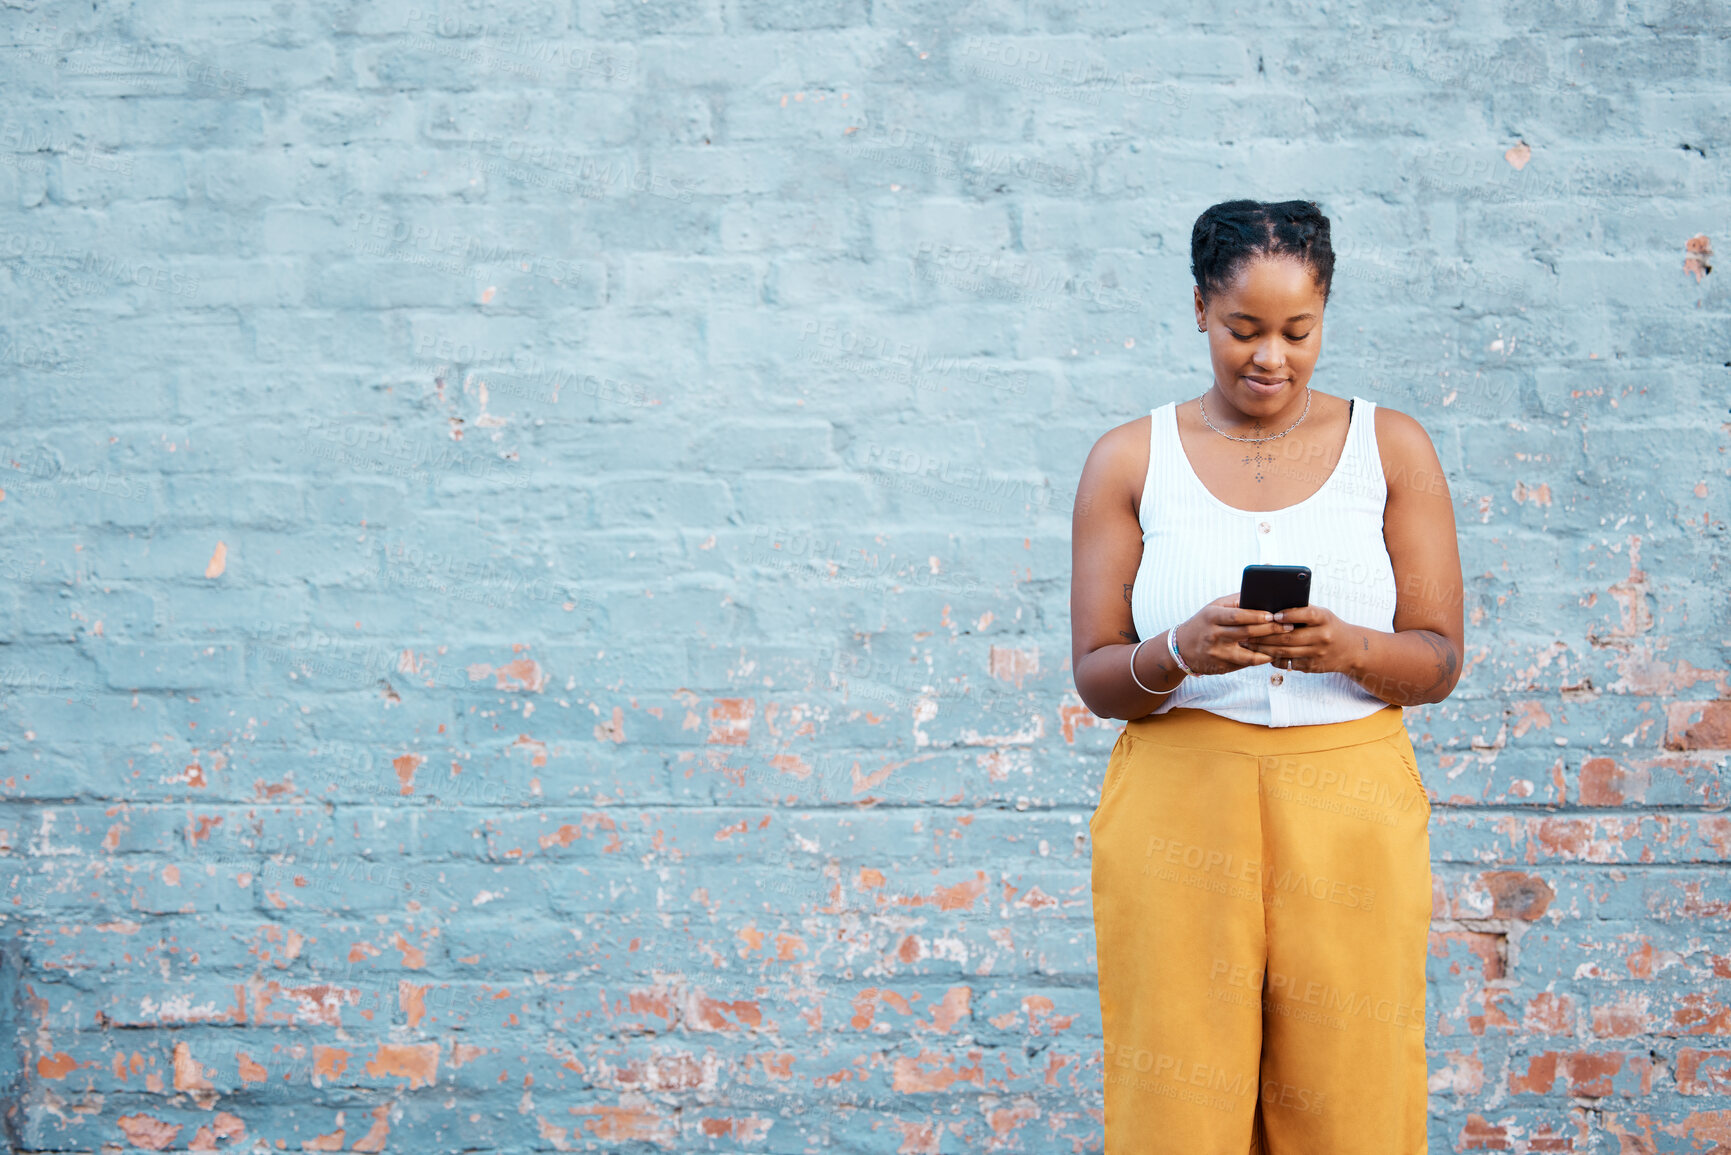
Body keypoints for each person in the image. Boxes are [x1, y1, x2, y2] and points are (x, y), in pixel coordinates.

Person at [1069, 199, 1464, 1153]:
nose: (1270, 357)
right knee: (1175, 1098)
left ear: (1326, 313)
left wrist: (1350, 651)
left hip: (1349, 801)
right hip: (1178, 801)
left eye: (1298, 330)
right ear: (1198, 309)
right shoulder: (1130, 458)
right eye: (1242, 329)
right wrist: (1178, 653)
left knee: (1351, 1093)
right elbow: (1094, 673)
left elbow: (1440, 656)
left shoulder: (1392, 447)